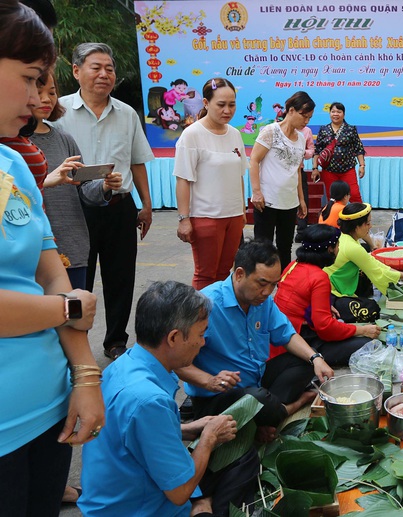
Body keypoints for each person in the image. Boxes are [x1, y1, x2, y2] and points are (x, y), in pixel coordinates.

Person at [0, 3, 104, 515]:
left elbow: (49, 267)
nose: (41, 95)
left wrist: (85, 376)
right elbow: (66, 301)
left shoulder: (13, 163)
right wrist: (68, 310)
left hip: (46, 408)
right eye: (30, 77)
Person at [79, 281, 258, 517]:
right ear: (173, 338)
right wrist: (209, 437)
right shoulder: (148, 400)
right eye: (201, 334)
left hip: (115, 496)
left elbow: (132, 435)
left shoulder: (125, 364)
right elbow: (179, 492)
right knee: (244, 461)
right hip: (138, 508)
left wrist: (189, 428)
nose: (203, 342)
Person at [55, 42, 155, 360]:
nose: (103, 74)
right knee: (75, 278)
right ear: (76, 71)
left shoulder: (126, 114)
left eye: (109, 68)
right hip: (73, 208)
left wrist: (146, 205)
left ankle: (115, 341)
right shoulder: (58, 112)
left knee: (120, 276)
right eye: (96, 67)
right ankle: (74, 339)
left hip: (118, 205)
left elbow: (137, 161)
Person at [176, 240, 334, 437]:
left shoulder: (262, 302)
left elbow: (286, 334)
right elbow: (176, 362)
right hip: (218, 397)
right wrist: (210, 381)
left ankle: (263, 416)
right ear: (240, 274)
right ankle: (292, 405)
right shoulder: (206, 305)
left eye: (274, 285)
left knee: (306, 362)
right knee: (256, 398)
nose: (268, 292)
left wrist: (316, 358)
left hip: (255, 383)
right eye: (262, 283)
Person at [31, 70, 123, 290]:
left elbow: (82, 188)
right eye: (38, 91)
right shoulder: (10, 143)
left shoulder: (63, 138)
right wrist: (45, 182)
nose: (46, 99)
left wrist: (103, 186)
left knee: (75, 318)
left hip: (72, 243)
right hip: (33, 249)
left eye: (52, 92)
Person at [175, 78, 247, 290]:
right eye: (221, 105)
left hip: (233, 217)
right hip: (206, 217)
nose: (227, 110)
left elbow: (239, 175)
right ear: (206, 103)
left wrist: (241, 209)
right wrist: (184, 219)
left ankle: (220, 320)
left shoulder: (235, 134)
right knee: (206, 275)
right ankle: (201, 320)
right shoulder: (192, 135)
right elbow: (183, 179)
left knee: (226, 274)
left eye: (232, 104)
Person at [274, 224, 381, 368]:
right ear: (329, 249)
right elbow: (325, 328)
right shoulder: (319, 277)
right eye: (337, 246)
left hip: (287, 330)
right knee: (369, 344)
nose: (338, 250)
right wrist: (362, 330)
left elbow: (297, 297)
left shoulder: (293, 264)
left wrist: (325, 305)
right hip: (301, 339)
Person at [249, 91, 314, 270]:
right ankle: (260, 286)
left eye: (309, 118)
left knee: (285, 248)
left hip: (289, 202)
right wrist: (256, 192)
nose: (306, 121)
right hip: (267, 201)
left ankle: (283, 285)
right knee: (263, 247)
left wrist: (301, 199)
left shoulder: (301, 138)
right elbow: (254, 160)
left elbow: (297, 170)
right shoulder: (270, 131)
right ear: (291, 110)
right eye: (304, 116)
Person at [324, 202, 403, 299]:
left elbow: (374, 263)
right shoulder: (353, 248)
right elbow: (376, 272)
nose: (370, 226)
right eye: (368, 223)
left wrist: (402, 274)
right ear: (357, 227)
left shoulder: (344, 237)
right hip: (332, 292)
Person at [312, 102, 366, 203]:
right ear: (329, 114)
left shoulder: (351, 129)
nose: (335, 114)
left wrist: (362, 165)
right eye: (333, 112)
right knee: (332, 198)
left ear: (343, 114)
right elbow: (317, 150)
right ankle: (335, 218)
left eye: (339, 112)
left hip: (348, 169)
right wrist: (315, 168)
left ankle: (360, 218)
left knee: (354, 195)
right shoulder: (323, 130)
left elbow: (358, 148)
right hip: (328, 170)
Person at [294, 124, 315, 242]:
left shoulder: (307, 131)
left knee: (303, 200)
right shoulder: (279, 128)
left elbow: (311, 150)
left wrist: (302, 153)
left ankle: (301, 231)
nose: (305, 120)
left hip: (299, 170)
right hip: (281, 171)